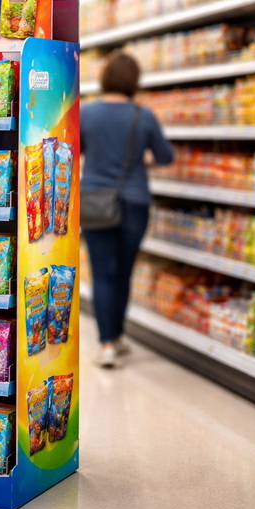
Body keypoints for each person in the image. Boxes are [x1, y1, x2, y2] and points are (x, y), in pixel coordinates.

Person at [80, 51, 174, 368]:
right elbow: (165, 156)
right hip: (134, 202)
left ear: (104, 78)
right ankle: (117, 336)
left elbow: (72, 149)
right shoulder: (142, 116)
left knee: (103, 274)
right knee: (124, 272)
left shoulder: (86, 113)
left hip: (94, 200)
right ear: (135, 82)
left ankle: (107, 343)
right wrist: (142, 159)